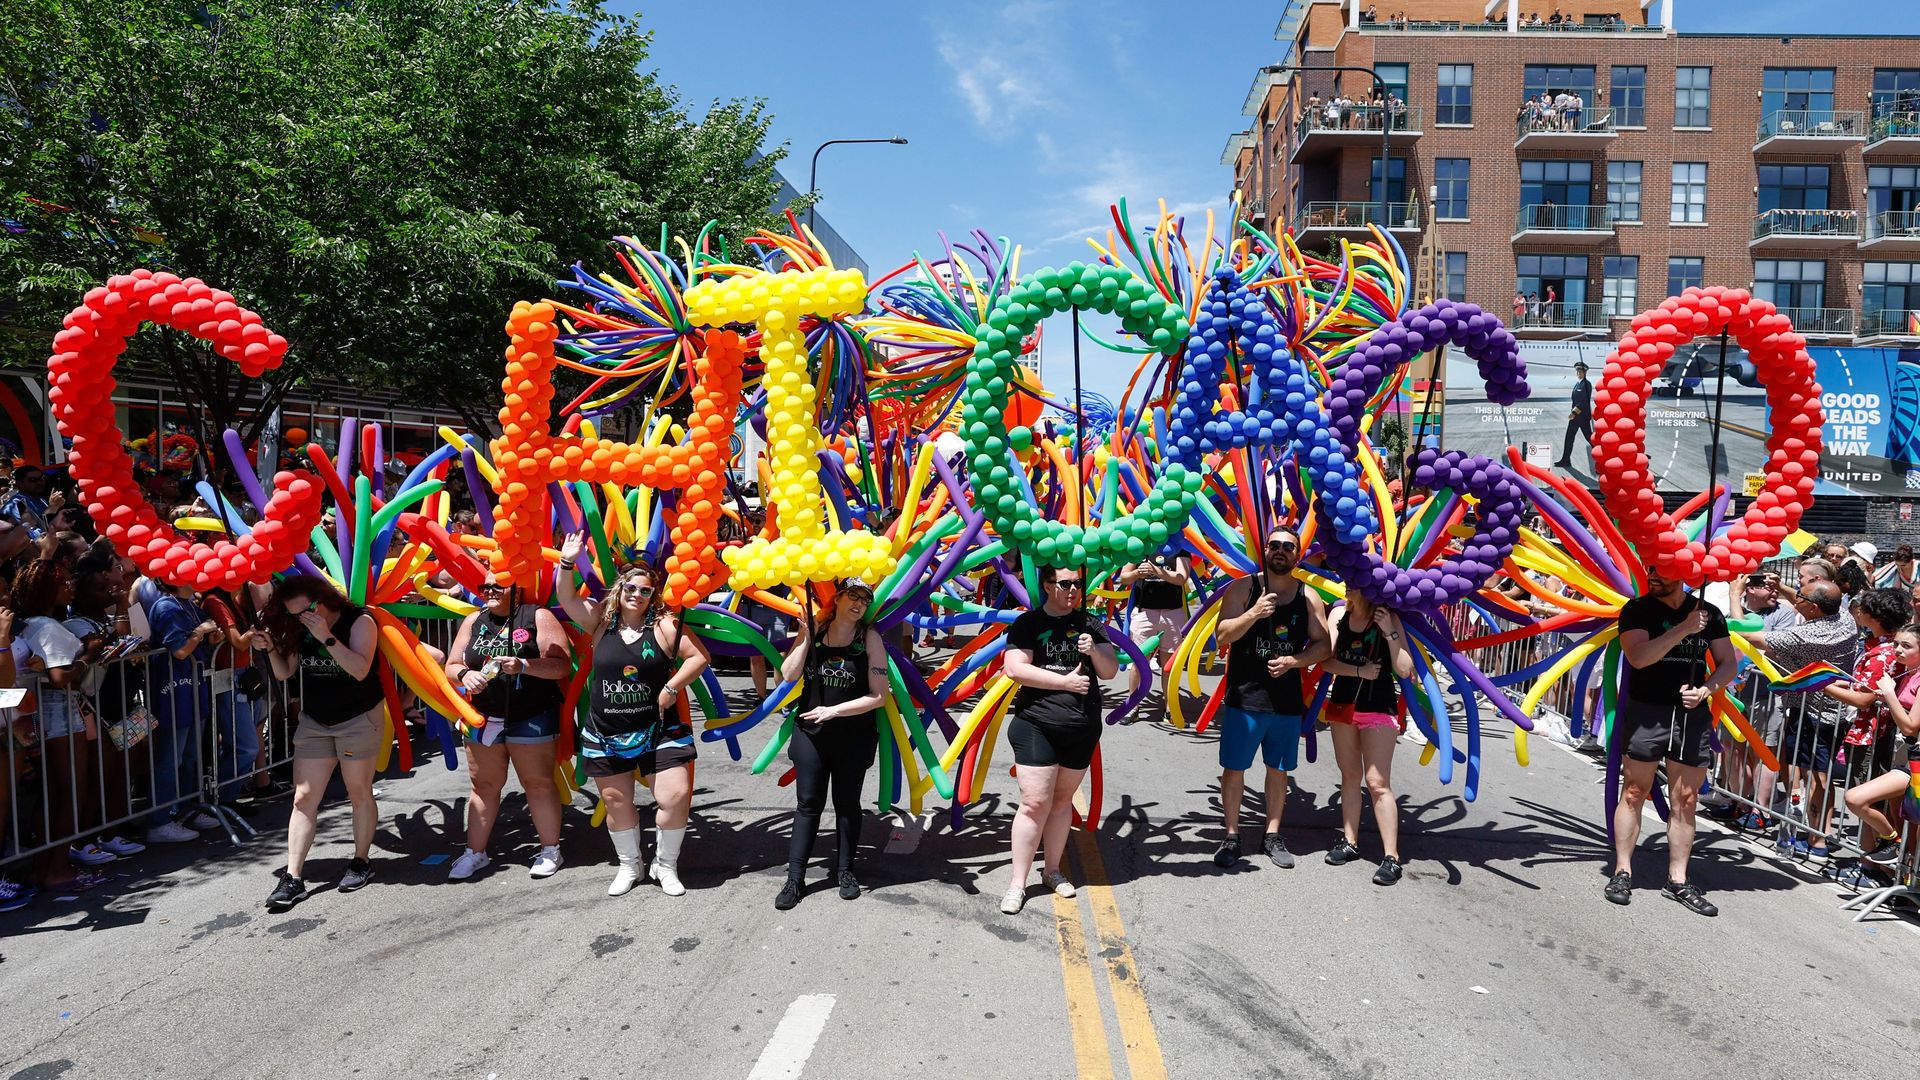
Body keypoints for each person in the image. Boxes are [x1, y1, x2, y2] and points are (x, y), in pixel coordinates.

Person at [554, 536, 710, 897]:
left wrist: (671, 688)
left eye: (645, 590)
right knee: (617, 802)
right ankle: (630, 865)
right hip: (605, 731)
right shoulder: (599, 622)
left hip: (660, 730)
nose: (637, 594)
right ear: (620, 588)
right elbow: (566, 599)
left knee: (675, 796)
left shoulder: (665, 626)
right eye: (631, 586)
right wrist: (567, 562)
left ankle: (665, 865)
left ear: (652, 596)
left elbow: (699, 657)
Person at [1608, 567, 1736, 914]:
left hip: (1690, 715)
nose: (1653, 576)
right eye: (1651, 570)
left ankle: (1677, 880)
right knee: (1634, 791)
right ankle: (1622, 871)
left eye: (1662, 572)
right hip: (1647, 709)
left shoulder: (1709, 613)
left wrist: (1706, 689)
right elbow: (1639, 657)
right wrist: (1683, 629)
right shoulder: (1637, 609)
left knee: (1687, 798)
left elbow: (1728, 664)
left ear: (1682, 573)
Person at [254, 577, 383, 910]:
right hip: (315, 721)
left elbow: (359, 669)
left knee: (358, 791)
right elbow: (285, 673)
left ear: (323, 598)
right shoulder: (298, 628)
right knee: (304, 797)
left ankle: (360, 861)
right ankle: (293, 877)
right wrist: (269, 648)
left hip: (357, 718)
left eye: (307, 611)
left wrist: (325, 636)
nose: (303, 618)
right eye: (295, 615)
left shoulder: (360, 621)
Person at [998, 565, 1119, 914]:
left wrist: (1094, 650)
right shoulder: (1029, 624)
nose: (1073, 590)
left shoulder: (1089, 623)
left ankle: (1052, 870)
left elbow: (1110, 670)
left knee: (1062, 801)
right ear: (1048, 585)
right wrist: (1064, 683)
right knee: (1035, 802)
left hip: (1081, 726)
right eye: (1065, 584)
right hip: (1037, 724)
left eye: (1077, 584)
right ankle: (1017, 883)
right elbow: (1015, 668)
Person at [1210, 528, 1330, 869]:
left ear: (1297, 554)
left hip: (1286, 702)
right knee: (1234, 770)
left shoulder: (1308, 597)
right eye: (1274, 545)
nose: (1280, 551)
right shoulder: (1244, 589)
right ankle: (1232, 836)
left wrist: (1295, 661)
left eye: (1287, 547)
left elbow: (1323, 646)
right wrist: (1254, 614)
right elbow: (1222, 636)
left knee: (1279, 772)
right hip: (1245, 698)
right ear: (1265, 550)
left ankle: (1272, 835)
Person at [443, 570, 572, 881]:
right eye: (484, 585)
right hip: (484, 716)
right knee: (483, 786)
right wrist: (464, 676)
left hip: (531, 714)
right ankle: (475, 853)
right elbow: (451, 665)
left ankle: (550, 849)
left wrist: (525, 665)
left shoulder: (536, 616)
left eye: (497, 585)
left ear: (517, 586)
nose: (489, 590)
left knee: (538, 783)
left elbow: (561, 664)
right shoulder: (474, 620)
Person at [772, 580, 888, 909]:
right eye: (853, 596)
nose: (859, 603)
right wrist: (807, 637)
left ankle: (846, 872)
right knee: (808, 804)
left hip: (854, 735)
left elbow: (879, 696)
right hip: (811, 734)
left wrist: (833, 710)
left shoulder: (869, 638)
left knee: (847, 805)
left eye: (865, 599)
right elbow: (789, 674)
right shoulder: (817, 630)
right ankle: (795, 879)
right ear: (837, 598)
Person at [1751, 580, 1860, 861]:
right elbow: (1813, 600)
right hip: (1828, 711)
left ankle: (1818, 841)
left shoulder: (1809, 634)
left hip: (1816, 713)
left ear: (1813, 608)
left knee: (1816, 777)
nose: (1792, 599)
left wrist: (1736, 597)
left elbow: (1755, 637)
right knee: (1812, 775)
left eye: (1799, 598)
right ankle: (1813, 832)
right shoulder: (1844, 617)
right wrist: (1788, 591)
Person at [1322, 592, 1416, 884]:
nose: (1349, 589)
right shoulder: (1339, 615)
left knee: (1377, 783)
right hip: (1343, 706)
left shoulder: (1389, 618)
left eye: (1355, 584)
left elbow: (1404, 669)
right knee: (1349, 776)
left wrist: (1389, 631)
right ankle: (1349, 841)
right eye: (1348, 583)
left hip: (1378, 707)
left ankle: (1392, 857)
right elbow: (1326, 661)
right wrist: (1359, 670)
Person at [1723, 571, 1801, 828]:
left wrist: (1735, 598)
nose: (1775, 591)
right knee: (1731, 748)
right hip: (1733, 692)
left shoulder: (1784, 613)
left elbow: (1750, 641)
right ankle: (1739, 801)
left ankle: (1761, 811)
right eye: (1768, 587)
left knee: (1762, 750)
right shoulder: (1731, 607)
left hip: (1765, 691)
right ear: (1751, 589)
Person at [1845, 623, 1920, 865]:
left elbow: (1910, 726)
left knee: (1856, 798)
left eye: (1906, 646)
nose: (1898, 650)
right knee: (1904, 822)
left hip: (1914, 763)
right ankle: (1895, 848)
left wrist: (1888, 693)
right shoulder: (1907, 672)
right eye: (1897, 643)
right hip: (1903, 757)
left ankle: (1895, 850)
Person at [1116, 548, 1193, 719]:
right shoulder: (1141, 545)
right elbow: (1123, 577)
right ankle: (1132, 706)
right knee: (1139, 661)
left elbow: (1182, 578)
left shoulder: (1179, 548)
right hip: (1144, 612)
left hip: (1172, 613)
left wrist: (1157, 571)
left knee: (1169, 665)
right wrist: (1138, 572)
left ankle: (1170, 707)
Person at [1556, 362, 1592, 469]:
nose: (1579, 374)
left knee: (1590, 439)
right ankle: (1565, 460)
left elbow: (1583, 401)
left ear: (1585, 373)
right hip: (1576, 417)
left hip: (1582, 417)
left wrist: (1574, 413)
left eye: (1581, 372)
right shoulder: (1578, 384)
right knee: (1569, 437)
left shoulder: (1586, 384)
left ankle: (1604, 459)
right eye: (1578, 372)